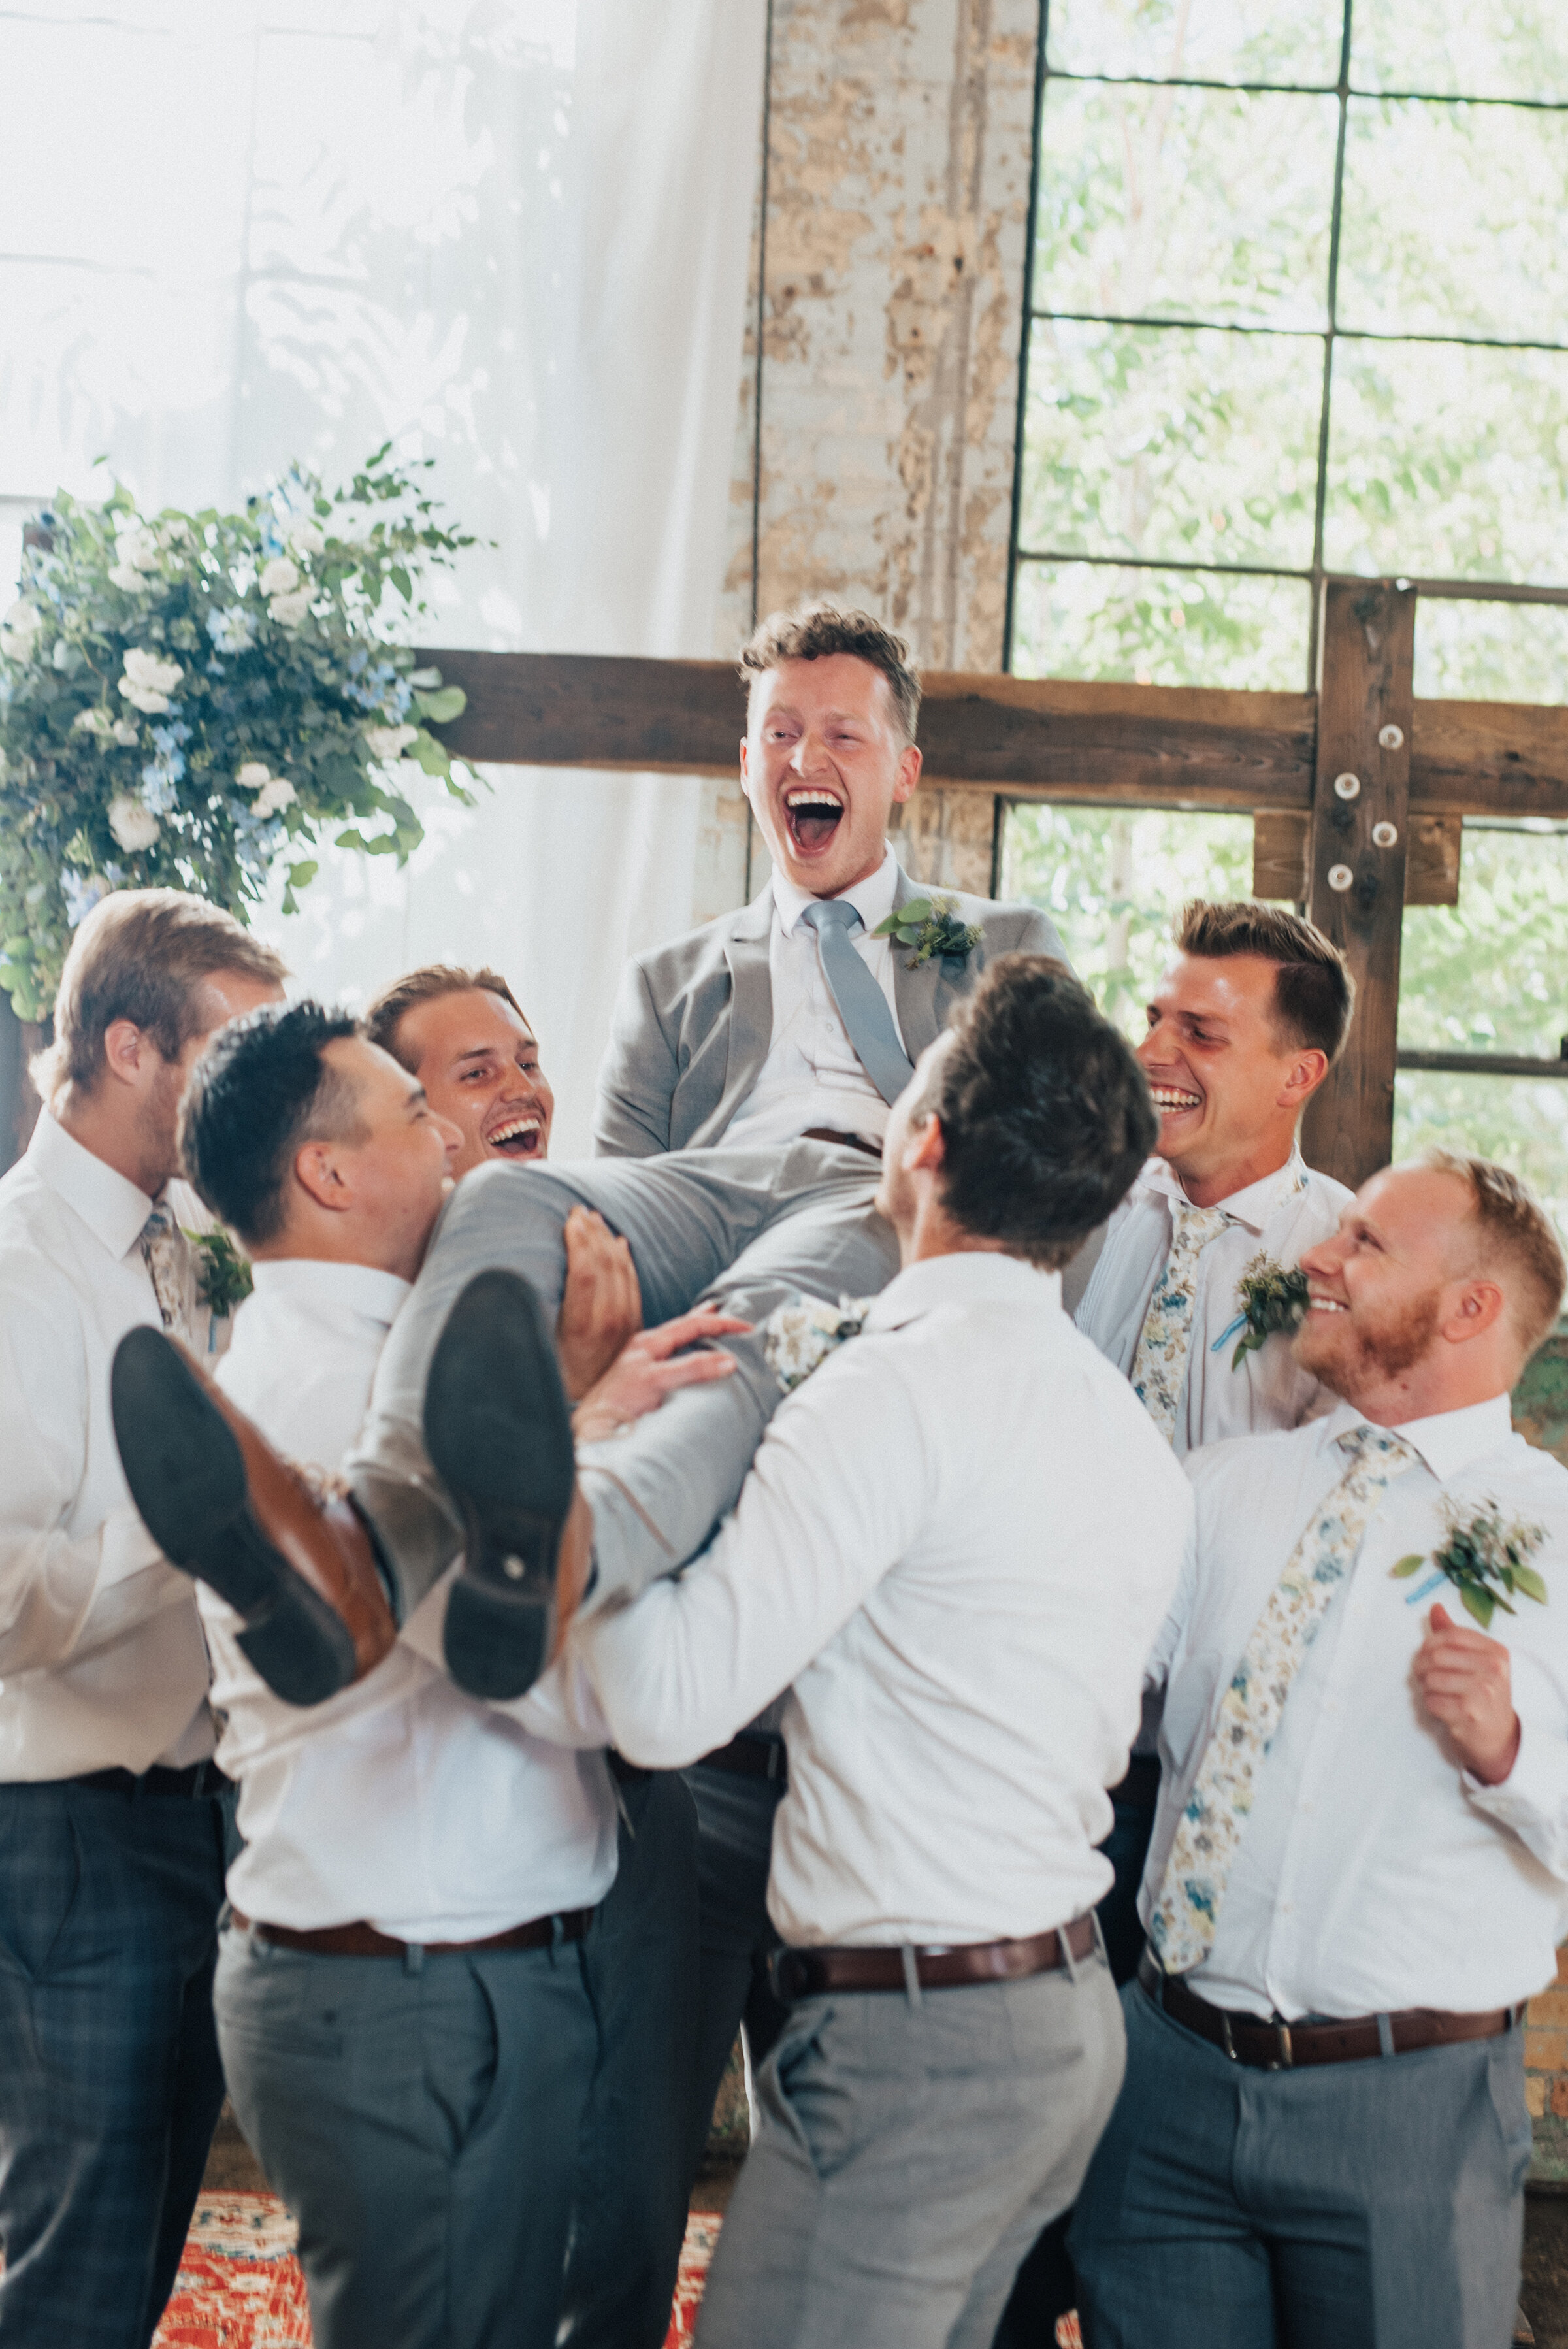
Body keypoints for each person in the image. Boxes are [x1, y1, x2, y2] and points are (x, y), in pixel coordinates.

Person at [529, 955, 1192, 2347]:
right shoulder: (1121, 1428)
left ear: (925, 1140)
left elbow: (661, 1706)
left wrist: (583, 1448)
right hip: (1061, 2023)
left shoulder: (887, 1385)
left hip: (918, 2050)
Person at [157, 1000, 738, 2349]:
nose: (456, 1135)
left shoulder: (362, 1353)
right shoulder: (349, 1386)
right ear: (331, 1173)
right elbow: (525, 1672)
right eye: (418, 1112)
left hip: (421, 1973)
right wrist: (590, 1449)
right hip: (417, 1991)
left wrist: (569, 1396)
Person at [595, 598, 1067, 2183]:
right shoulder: (675, 976)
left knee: (774, 1305)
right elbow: (626, 1194)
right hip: (724, 1234)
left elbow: (1027, 1177)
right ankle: (426, 1490)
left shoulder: (1002, 950)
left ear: (903, 769)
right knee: (527, 1216)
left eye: (841, 733)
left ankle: (599, 1527)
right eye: (780, 733)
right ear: (746, 764)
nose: (807, 757)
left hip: (885, 1260)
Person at [1070, 1152, 1568, 2349]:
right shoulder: (1221, 1488)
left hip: (1406, 2118)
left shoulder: (1556, 1535)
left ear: (1470, 1309)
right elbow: (1081, 1694)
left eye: (1365, 1247)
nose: (1315, 1263)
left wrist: (1509, 1749)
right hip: (1166, 2082)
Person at [996, 900, 1357, 2345]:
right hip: (1040, 1743)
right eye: (1153, 1018)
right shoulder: (1075, 1212)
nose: (1153, 1051)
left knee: (1150, 2175)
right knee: (1021, 2142)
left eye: (1200, 1032)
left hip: (1211, 1777)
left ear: (1299, 1071)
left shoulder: (1346, 1260)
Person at [366, 957, 709, 2349]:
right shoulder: (384, 1318)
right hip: (459, 1832)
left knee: (624, 2218)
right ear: (405, 1122)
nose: (523, 1088)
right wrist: (585, 1402)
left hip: (641, 1800)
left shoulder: (611, 1250)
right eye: (473, 1071)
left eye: (526, 1057)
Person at [0, 889, 284, 2349]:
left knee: (149, 2236)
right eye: (226, 1055)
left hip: (196, 1812)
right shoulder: (18, 1268)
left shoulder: (183, 1242)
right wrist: (203, 1502)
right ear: (126, 1045)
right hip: (68, 1833)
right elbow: (6, 1604)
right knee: (74, 2263)